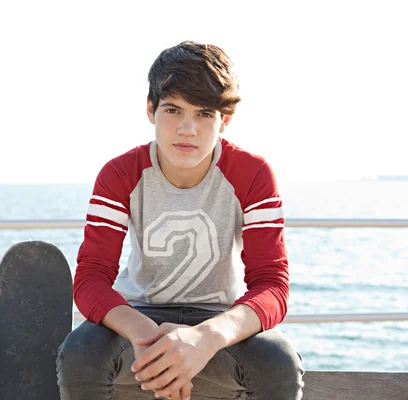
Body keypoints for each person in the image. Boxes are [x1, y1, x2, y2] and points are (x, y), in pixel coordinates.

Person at [56, 41, 304, 400]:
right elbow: (91, 277)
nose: (187, 128)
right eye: (173, 110)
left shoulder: (253, 174)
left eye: (204, 114)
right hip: (138, 316)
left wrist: (204, 339)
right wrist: (143, 334)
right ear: (150, 109)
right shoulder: (119, 174)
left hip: (221, 321)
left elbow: (272, 286)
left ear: (225, 120)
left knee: (277, 360)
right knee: (81, 352)